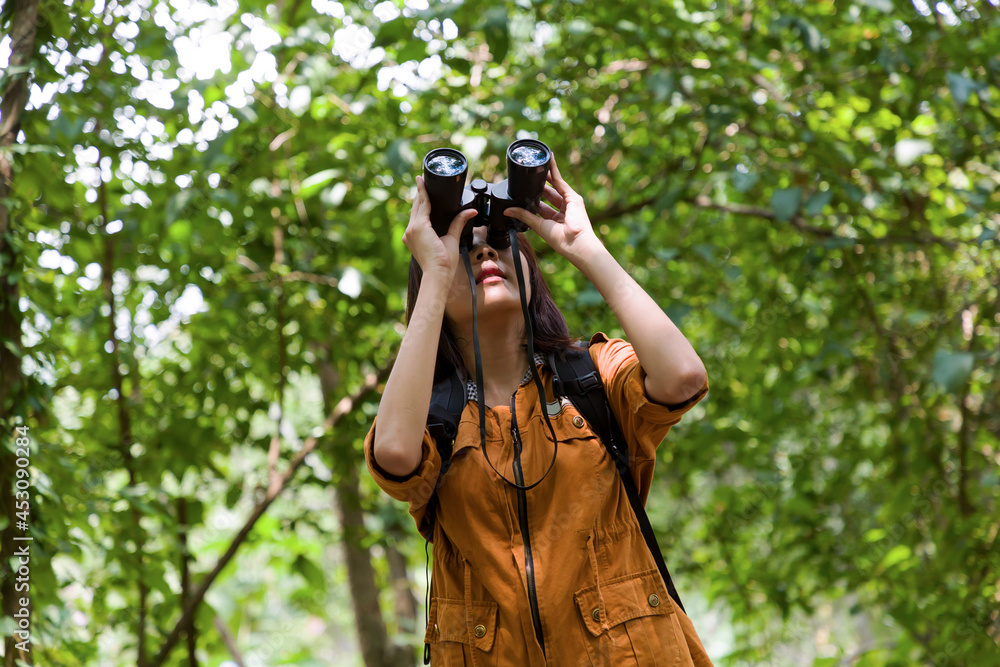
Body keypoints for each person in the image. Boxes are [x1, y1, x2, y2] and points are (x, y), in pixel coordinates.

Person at [364, 153, 713, 666]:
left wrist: (585, 248)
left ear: (530, 268)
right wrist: (434, 274)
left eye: (501, 243)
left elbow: (683, 377)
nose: (485, 253)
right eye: (465, 248)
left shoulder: (592, 376)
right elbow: (394, 455)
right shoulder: (432, 416)